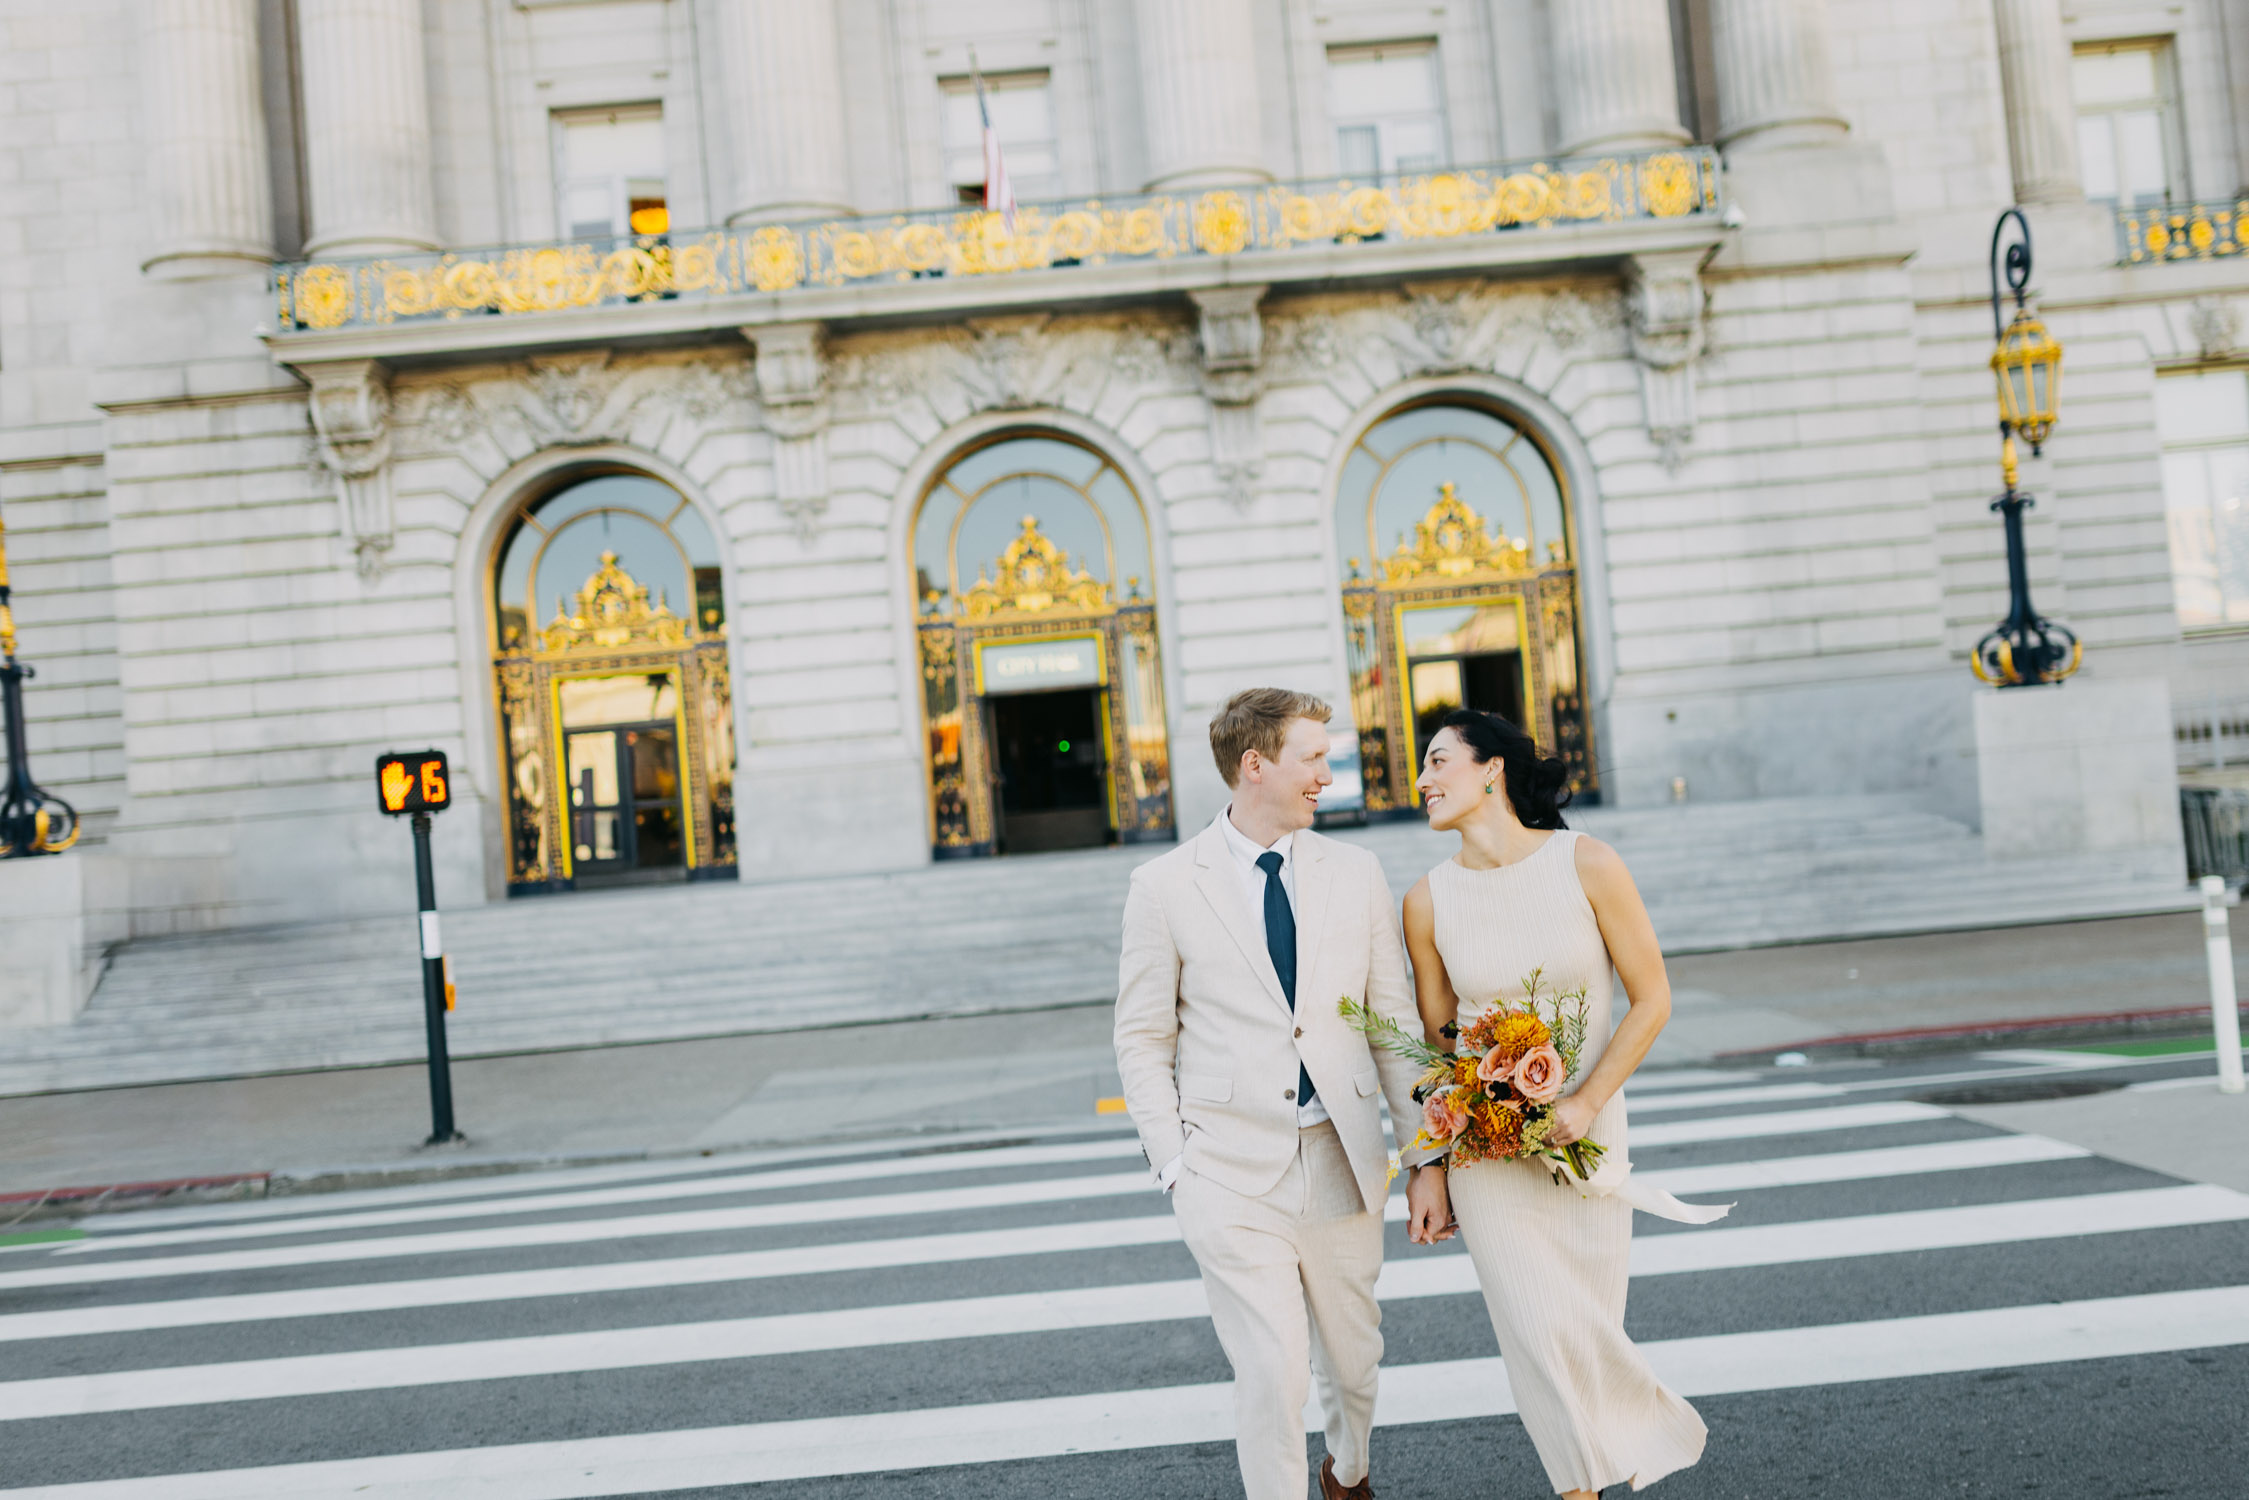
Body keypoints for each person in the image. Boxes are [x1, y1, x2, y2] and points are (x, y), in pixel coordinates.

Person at [1113, 687, 1434, 1500]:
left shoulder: (1354, 871)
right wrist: (1174, 1164)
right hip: (1224, 1168)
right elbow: (1142, 1037)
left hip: (1340, 1157)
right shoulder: (1162, 885)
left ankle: (1347, 1468)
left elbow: (1390, 1021)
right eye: (1314, 758)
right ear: (1255, 766)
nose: (1329, 773)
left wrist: (1425, 1157)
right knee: (1270, 1370)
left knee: (1354, 1366)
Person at [1401, 707, 1727, 1498]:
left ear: (1490, 770)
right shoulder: (1424, 901)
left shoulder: (1588, 864)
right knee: (1537, 1336)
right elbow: (1441, 1047)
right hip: (1489, 1153)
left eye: (1439, 761)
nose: (1421, 779)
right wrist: (1431, 1164)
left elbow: (1651, 1001)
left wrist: (1584, 1102)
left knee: (1584, 1333)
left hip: (1585, 1138)